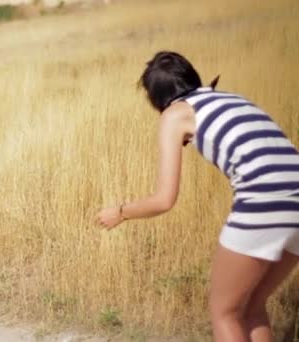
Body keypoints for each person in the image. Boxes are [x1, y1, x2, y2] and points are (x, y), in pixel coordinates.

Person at [97, 51, 299, 341]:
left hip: (263, 200)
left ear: (158, 99)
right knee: (252, 306)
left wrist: (120, 212)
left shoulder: (175, 114)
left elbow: (164, 200)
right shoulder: (231, 99)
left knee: (224, 312)